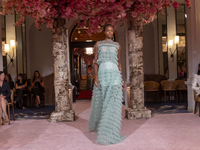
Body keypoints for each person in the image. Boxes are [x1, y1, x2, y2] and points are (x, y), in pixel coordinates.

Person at [88, 24, 126, 145]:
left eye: (111, 30)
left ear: (113, 32)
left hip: (115, 75)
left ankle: (111, 131)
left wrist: (122, 79)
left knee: (113, 103)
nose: (109, 32)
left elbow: (119, 62)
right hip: (103, 75)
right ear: (104, 32)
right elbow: (95, 62)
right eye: (107, 30)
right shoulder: (98, 44)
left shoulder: (117, 46)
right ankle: (102, 127)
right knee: (103, 102)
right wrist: (95, 77)